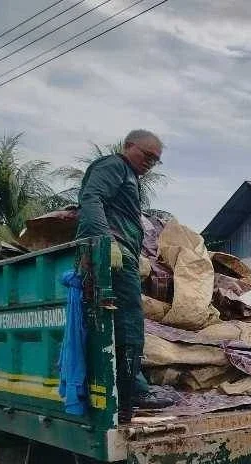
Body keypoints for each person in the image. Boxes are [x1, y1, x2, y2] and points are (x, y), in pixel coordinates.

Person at [75, 129, 169, 422]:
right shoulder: (114, 166)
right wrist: (107, 243)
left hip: (121, 254)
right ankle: (133, 390)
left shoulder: (129, 177)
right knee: (129, 320)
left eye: (155, 161)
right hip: (112, 255)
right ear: (129, 146)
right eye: (147, 156)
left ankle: (126, 388)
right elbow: (91, 198)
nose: (149, 163)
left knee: (119, 322)